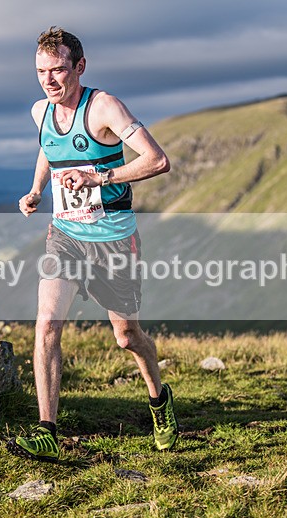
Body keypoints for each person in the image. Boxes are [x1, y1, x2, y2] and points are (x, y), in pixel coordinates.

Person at [9, 27, 174, 462]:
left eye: (59, 69)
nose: (49, 80)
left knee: (127, 336)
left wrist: (99, 177)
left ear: (79, 67)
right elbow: (47, 148)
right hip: (65, 237)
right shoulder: (39, 111)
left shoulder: (103, 106)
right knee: (46, 323)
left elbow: (157, 160)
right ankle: (47, 430)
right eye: (41, 71)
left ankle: (160, 400)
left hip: (114, 240)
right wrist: (36, 190)